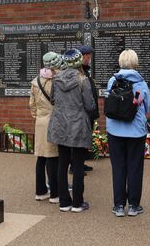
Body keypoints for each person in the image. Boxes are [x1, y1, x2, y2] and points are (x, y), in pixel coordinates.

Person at [47, 49, 96, 213]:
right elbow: (90, 105)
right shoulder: (83, 80)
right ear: (78, 62)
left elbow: (53, 100)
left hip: (60, 124)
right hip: (78, 125)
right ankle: (77, 203)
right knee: (78, 165)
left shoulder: (56, 79)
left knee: (62, 163)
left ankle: (64, 202)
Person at [106, 49, 150, 217]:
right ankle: (133, 205)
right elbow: (148, 107)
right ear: (135, 62)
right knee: (135, 168)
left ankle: (118, 206)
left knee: (118, 167)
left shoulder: (112, 80)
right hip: (136, 132)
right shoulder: (141, 82)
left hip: (115, 131)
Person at [29, 52, 62, 205]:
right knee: (52, 157)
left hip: (40, 122)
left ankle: (40, 191)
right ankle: (55, 194)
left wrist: (38, 117)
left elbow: (32, 104)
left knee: (40, 158)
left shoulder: (35, 81)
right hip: (53, 121)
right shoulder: (57, 80)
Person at [78, 44, 98, 173]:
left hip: (88, 112)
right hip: (83, 113)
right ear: (83, 57)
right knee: (80, 141)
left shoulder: (85, 70)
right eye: (88, 56)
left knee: (85, 140)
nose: (89, 58)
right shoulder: (79, 72)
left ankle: (81, 163)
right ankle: (76, 166)